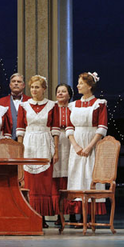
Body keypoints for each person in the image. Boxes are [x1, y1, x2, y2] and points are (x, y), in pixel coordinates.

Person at [17, 75, 59, 228]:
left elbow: (55, 129)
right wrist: (20, 151)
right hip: (29, 143)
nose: (34, 90)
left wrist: (56, 151)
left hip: (44, 143)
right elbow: (20, 130)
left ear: (44, 89)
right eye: (32, 87)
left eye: (37, 87)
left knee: (43, 182)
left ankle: (41, 216)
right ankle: (30, 214)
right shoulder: (24, 106)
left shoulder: (52, 106)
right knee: (30, 182)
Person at [66, 72, 108, 220]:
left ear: (89, 86)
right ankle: (75, 213)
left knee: (90, 175)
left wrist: (90, 146)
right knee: (76, 175)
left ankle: (91, 216)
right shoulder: (73, 105)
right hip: (76, 146)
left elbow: (101, 128)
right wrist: (75, 145)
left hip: (92, 144)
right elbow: (69, 128)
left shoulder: (99, 104)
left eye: (81, 83)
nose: (78, 86)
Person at [51, 83, 74, 224]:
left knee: (69, 177)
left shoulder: (74, 108)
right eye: (58, 91)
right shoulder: (51, 108)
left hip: (70, 141)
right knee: (56, 178)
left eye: (63, 91)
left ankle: (71, 213)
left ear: (69, 95)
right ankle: (59, 214)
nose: (60, 94)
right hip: (55, 140)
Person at [0, 73, 31, 140]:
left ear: (23, 85)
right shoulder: (0, 102)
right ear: (10, 85)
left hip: (26, 140)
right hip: (7, 140)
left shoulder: (30, 101)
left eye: (19, 82)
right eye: (13, 81)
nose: (16, 83)